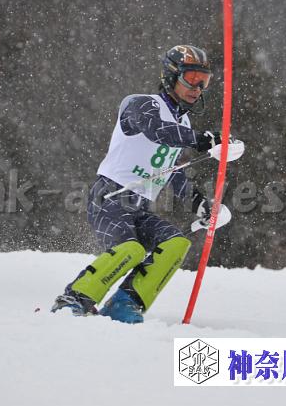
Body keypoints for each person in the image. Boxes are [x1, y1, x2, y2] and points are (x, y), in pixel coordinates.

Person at [52, 45, 225, 324]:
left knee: (175, 243)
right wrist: (201, 139)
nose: (198, 88)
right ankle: (74, 298)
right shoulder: (141, 104)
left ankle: (124, 304)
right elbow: (156, 130)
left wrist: (199, 203)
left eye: (204, 81)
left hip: (140, 206)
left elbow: (171, 170)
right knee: (130, 249)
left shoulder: (183, 121)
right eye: (191, 78)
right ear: (171, 76)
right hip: (110, 197)